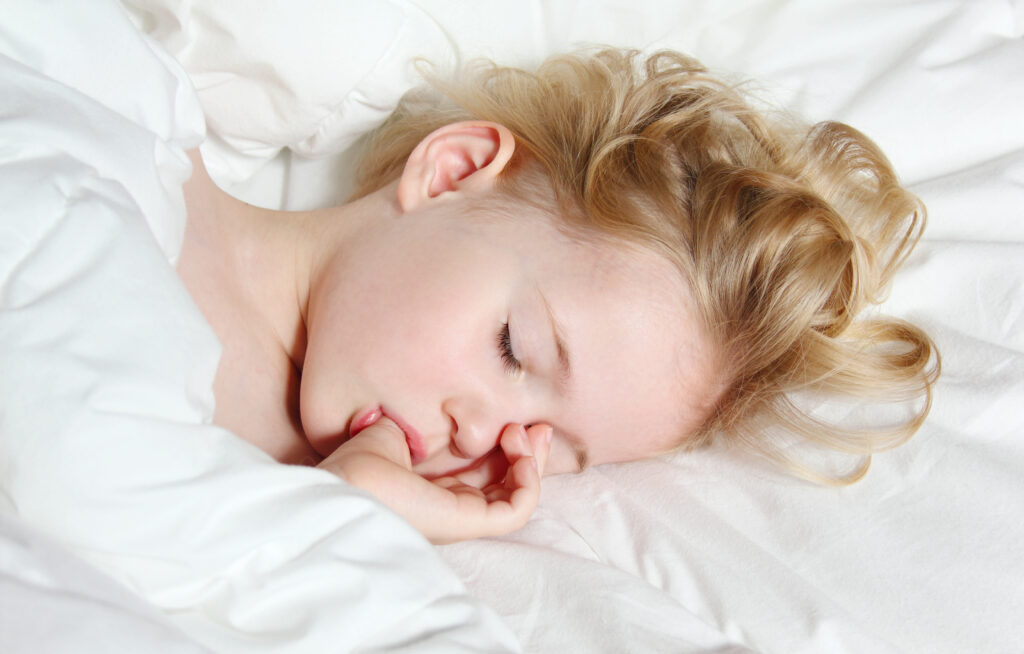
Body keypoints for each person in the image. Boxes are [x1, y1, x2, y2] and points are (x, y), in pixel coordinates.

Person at [176, 49, 939, 544]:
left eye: (547, 447)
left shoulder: (320, 504)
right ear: (450, 172)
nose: (480, 438)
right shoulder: (142, 144)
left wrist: (347, 515)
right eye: (512, 347)